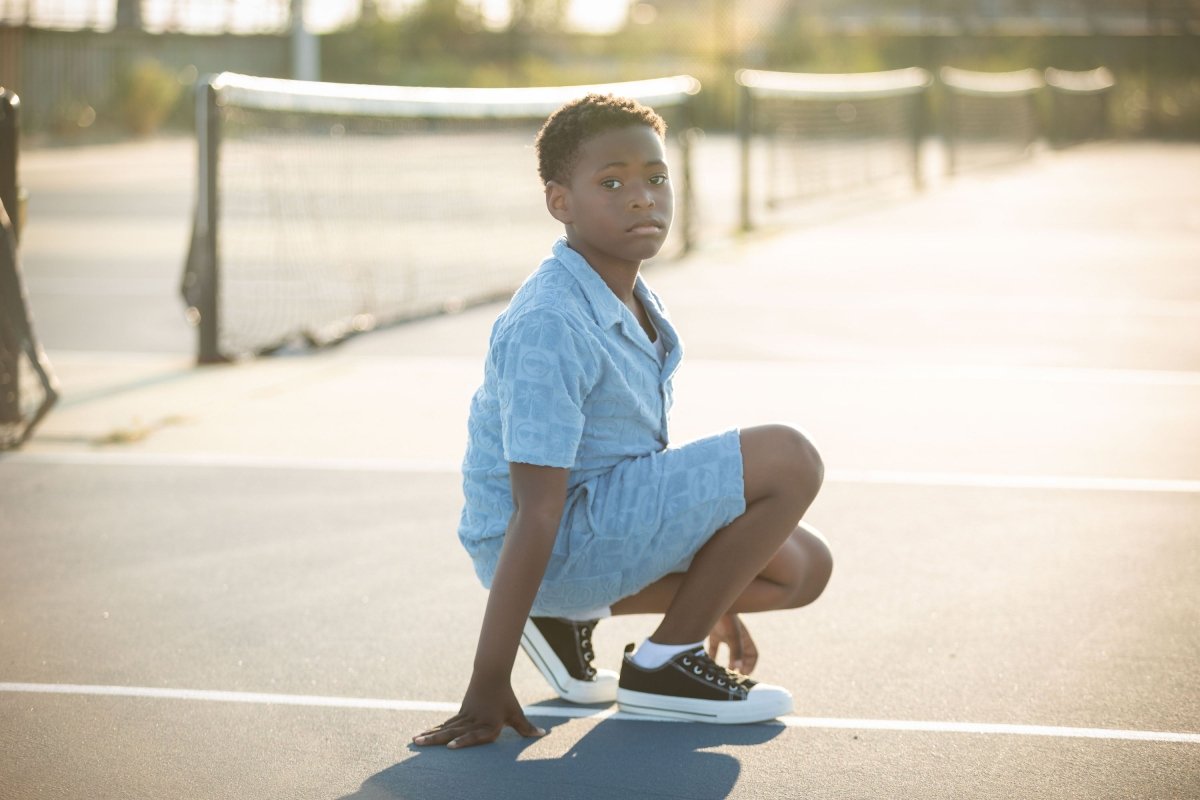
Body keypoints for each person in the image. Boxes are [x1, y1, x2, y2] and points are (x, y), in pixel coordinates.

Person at [414, 94, 832, 750]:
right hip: (552, 541)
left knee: (803, 567)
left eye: (655, 178)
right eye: (612, 183)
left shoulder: (629, 290)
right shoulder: (550, 323)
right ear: (561, 203)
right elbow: (534, 511)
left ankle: (567, 622)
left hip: (598, 520)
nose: (642, 197)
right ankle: (664, 664)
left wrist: (710, 596)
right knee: (789, 459)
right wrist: (487, 679)